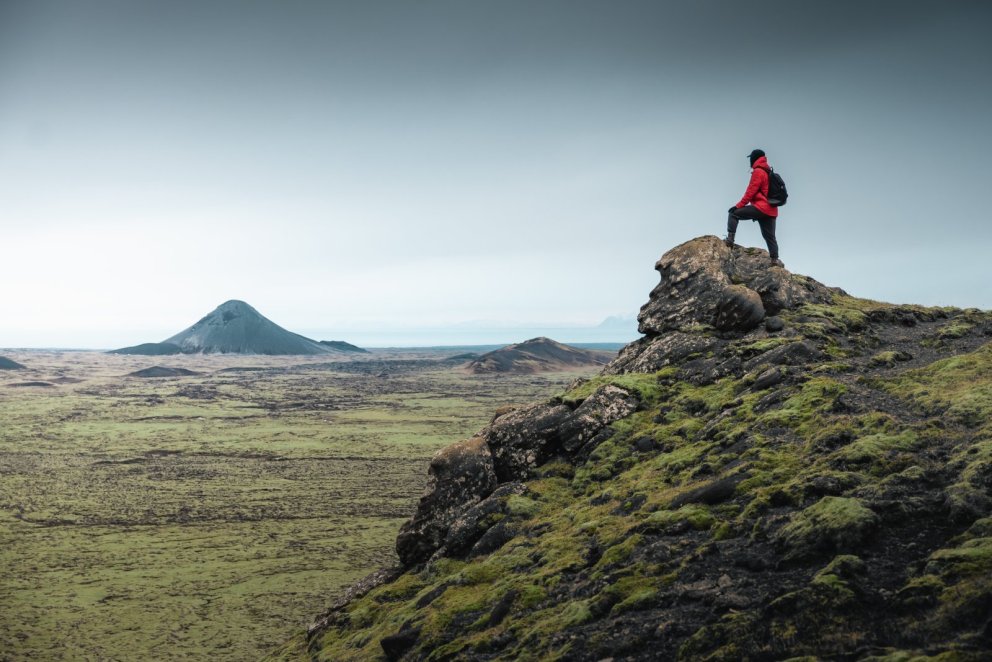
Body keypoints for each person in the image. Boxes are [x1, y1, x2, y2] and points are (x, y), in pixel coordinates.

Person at [725, 148, 783, 267]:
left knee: (733, 214)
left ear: (754, 158)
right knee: (770, 236)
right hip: (772, 210)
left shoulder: (758, 171)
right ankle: (774, 260)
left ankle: (730, 241)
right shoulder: (767, 171)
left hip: (761, 207)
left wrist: (737, 206)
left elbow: (750, 192)